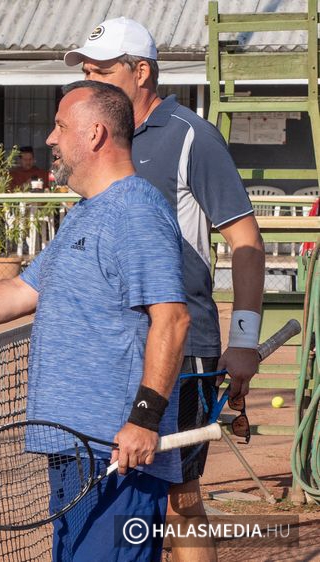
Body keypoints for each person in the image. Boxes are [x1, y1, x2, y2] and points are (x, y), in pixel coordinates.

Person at [0, 80, 189, 561]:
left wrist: (143, 419)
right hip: (73, 450)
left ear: (95, 134)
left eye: (59, 126)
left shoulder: (136, 211)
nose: (50, 139)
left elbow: (172, 319)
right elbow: (22, 291)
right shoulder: (85, 213)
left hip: (115, 453)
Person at [64, 17, 265, 561]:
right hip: (114, 354)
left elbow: (247, 241)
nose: (90, 82)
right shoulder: (99, 140)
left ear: (141, 72)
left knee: (180, 500)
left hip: (183, 346)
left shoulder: (191, 136)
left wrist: (244, 338)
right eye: (87, 73)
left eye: (102, 72)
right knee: (130, 496)